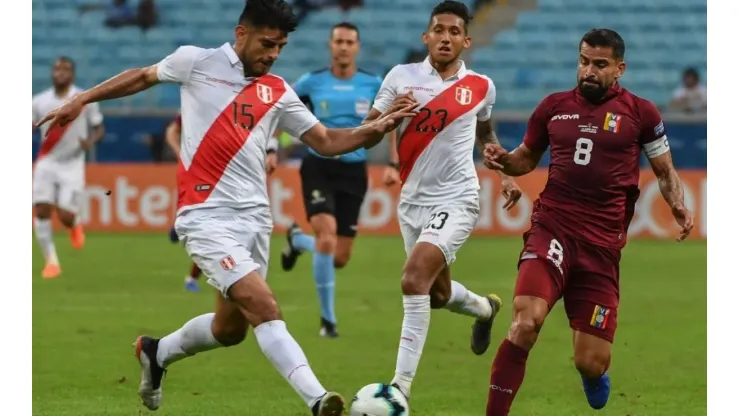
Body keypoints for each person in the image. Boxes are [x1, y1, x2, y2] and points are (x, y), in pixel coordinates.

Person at [35, 1, 416, 415]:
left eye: (280, 46)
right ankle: (318, 399)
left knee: (230, 328)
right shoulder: (195, 62)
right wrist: (84, 100)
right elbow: (141, 77)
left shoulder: (278, 91)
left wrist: (373, 130)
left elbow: (326, 141)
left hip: (254, 220)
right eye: (267, 43)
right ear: (241, 34)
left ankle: (156, 352)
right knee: (265, 307)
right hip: (203, 215)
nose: (272, 54)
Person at [483, 29, 694, 415]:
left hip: (602, 247)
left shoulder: (641, 113)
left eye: (600, 64)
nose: (589, 71)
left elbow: (664, 171)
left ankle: (593, 374)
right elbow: (526, 159)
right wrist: (503, 160)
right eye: (584, 62)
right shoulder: (553, 107)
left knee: (590, 360)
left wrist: (677, 203)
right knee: (525, 322)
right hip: (553, 229)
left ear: (619, 68)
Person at [363, 0, 523, 402]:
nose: (446, 37)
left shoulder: (481, 87)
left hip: (457, 197)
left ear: (466, 40)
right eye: (439, 30)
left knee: (413, 278)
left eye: (454, 31)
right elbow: (366, 130)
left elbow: (486, 137)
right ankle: (485, 310)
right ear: (426, 36)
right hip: (412, 203)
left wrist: (503, 174)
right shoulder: (401, 77)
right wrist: (387, 121)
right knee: (434, 293)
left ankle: (399, 390)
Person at [280, 22, 399, 338]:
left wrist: (393, 162)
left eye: (349, 42)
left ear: (357, 47)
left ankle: (297, 241)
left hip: (354, 171)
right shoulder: (312, 82)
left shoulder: (373, 84)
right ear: (330, 46)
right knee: (328, 236)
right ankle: (328, 322)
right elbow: (279, 107)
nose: (343, 47)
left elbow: (392, 122)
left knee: (340, 257)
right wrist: (273, 146)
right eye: (338, 41)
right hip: (319, 165)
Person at [32, 56, 105, 279]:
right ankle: (51, 262)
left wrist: (90, 142)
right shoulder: (38, 101)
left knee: (64, 215)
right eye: (57, 69)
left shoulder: (84, 99)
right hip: (47, 161)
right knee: (41, 209)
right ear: (52, 73)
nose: (60, 73)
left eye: (65, 69)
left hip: (73, 164)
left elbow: (99, 128)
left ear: (72, 74)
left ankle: (74, 224)